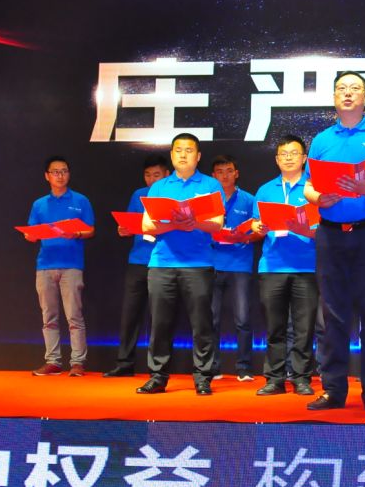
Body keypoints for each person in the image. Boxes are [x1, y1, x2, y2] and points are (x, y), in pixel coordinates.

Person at [303, 71, 365, 412]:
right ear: (334, 97)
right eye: (341, 88)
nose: (347, 93)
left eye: (355, 88)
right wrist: (319, 198)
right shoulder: (321, 140)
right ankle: (333, 390)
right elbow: (308, 186)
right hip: (331, 234)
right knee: (333, 314)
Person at [136, 133, 225, 396]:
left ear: (198, 156)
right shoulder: (159, 187)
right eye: (178, 150)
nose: (183, 154)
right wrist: (174, 224)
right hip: (162, 263)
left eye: (189, 150)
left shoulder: (210, 184)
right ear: (172, 155)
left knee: (202, 324)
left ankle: (203, 377)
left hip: (198, 264)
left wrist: (194, 222)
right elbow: (146, 226)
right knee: (160, 323)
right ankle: (158, 376)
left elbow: (217, 224)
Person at [251, 135, 318, 396]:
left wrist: (305, 229)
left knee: (304, 328)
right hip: (272, 267)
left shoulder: (313, 189)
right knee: (274, 327)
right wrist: (257, 227)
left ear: (304, 158)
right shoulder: (265, 190)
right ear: (277, 159)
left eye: (294, 153)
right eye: (283, 154)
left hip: (306, 267)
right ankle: (274, 379)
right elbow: (255, 226)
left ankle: (301, 378)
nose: (288, 158)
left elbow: (324, 229)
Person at [26, 156, 95, 377]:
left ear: (69, 174)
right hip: (45, 265)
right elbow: (31, 232)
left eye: (64, 171)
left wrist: (76, 233)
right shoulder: (39, 204)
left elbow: (90, 230)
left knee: (74, 315)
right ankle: (53, 361)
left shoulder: (81, 200)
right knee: (49, 316)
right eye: (55, 172)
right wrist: (31, 235)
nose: (60, 175)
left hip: (71, 265)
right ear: (47, 176)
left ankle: (77, 362)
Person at [105, 154, 170, 378]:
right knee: (130, 313)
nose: (151, 179)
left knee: (159, 317)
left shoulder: (171, 196)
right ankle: (124, 363)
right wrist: (124, 229)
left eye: (156, 175)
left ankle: (157, 367)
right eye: (148, 175)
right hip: (137, 260)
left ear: (167, 175)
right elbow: (129, 223)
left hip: (162, 262)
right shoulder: (138, 195)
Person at [209, 154, 258, 382]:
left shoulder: (249, 199)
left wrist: (245, 237)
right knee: (211, 319)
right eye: (219, 172)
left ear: (236, 173)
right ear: (213, 175)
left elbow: (259, 229)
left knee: (243, 319)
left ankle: (244, 367)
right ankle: (212, 367)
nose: (225, 176)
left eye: (229, 171)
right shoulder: (207, 199)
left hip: (240, 264)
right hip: (211, 262)